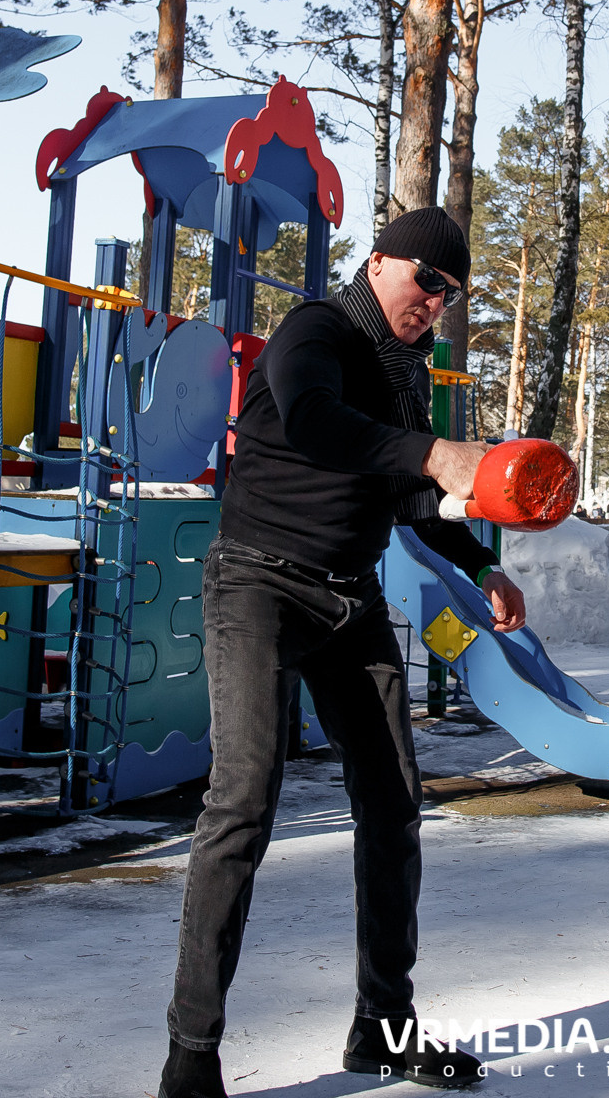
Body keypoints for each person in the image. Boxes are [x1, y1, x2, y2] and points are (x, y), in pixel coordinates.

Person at [159, 208, 526, 1098]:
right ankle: (191, 1057)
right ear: (378, 264)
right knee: (243, 803)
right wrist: (438, 451)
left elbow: (403, 490)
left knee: (396, 804)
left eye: (449, 295)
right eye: (424, 282)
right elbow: (320, 422)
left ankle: (382, 1028)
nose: (433, 304)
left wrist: (480, 564)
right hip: (257, 584)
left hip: (348, 598)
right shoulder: (314, 331)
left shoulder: (408, 375)